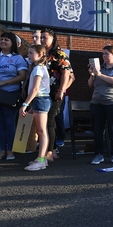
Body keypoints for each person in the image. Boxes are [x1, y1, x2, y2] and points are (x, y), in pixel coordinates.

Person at [0, 32, 28, 161]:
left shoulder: (18, 59)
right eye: (1, 39)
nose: (2, 41)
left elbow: (23, 76)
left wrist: (4, 82)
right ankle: (2, 149)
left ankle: (10, 150)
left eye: (6, 40)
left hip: (10, 93)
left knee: (9, 122)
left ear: (12, 43)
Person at [89, 45, 113, 165]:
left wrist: (100, 75)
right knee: (97, 129)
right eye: (103, 54)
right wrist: (92, 75)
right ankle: (98, 154)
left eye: (106, 54)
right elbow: (90, 85)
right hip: (97, 102)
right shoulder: (99, 67)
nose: (104, 56)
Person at [38, 29, 72, 157]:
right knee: (43, 123)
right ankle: (47, 150)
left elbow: (67, 73)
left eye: (45, 37)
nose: (42, 40)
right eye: (41, 37)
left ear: (53, 38)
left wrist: (61, 90)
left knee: (50, 121)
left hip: (55, 93)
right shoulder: (41, 54)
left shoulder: (60, 54)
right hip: (42, 93)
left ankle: (51, 151)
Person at [20, 45, 52, 171]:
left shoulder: (38, 68)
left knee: (42, 131)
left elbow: (35, 89)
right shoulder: (39, 67)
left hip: (40, 100)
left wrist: (25, 104)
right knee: (41, 131)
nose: (28, 55)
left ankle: (41, 160)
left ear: (40, 55)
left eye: (31, 53)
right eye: (28, 53)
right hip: (39, 100)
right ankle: (42, 159)